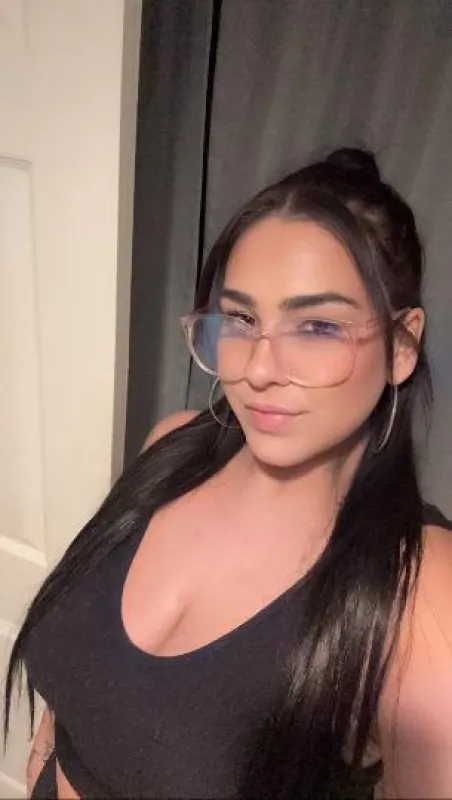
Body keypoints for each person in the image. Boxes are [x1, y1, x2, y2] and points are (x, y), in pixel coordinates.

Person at [5, 148, 452, 800]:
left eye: (316, 326)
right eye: (242, 319)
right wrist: (59, 729)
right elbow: (93, 659)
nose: (258, 369)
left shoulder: (420, 594)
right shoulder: (173, 447)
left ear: (401, 345)